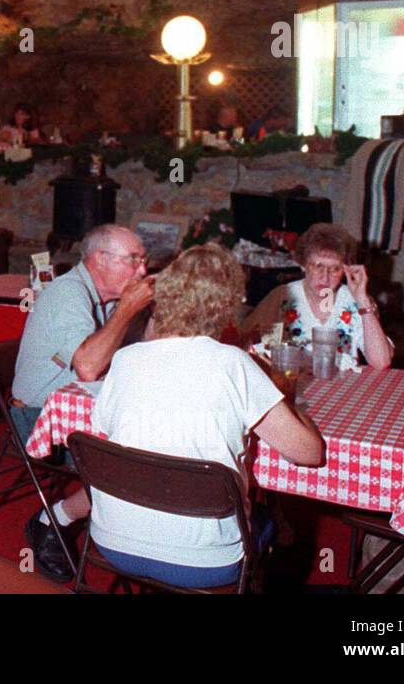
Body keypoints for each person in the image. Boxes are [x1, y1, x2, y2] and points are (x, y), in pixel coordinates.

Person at [89, 244, 325, 587]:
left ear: (163, 297)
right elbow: (309, 453)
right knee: (281, 528)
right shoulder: (235, 364)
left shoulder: (125, 359)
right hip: (206, 560)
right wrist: (280, 392)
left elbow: (109, 435)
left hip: (112, 541)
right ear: (228, 307)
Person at [11, 224, 157, 581]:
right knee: (142, 461)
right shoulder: (68, 295)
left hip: (90, 412)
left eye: (143, 260)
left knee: (161, 442)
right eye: (134, 260)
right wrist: (127, 310)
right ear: (99, 260)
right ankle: (52, 519)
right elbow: (89, 368)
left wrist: (154, 312)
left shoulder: (107, 300)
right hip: (38, 419)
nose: (142, 270)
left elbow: (151, 350)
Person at [243, 223, 393, 369]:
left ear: (346, 271)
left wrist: (362, 299)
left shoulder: (353, 301)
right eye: (318, 266)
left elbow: (381, 362)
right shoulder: (283, 295)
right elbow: (243, 337)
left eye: (335, 269)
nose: (325, 277)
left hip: (342, 388)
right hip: (295, 387)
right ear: (303, 265)